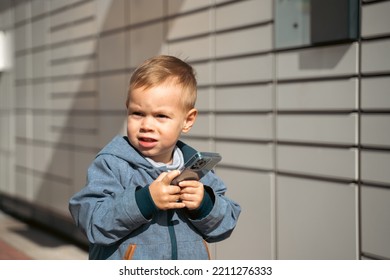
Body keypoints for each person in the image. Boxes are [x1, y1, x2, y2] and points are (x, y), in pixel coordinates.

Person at [68, 55, 241, 260]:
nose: (147, 125)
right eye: (137, 113)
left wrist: (204, 204)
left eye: (161, 116)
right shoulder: (112, 164)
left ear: (187, 120)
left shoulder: (196, 171)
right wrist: (144, 201)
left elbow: (224, 225)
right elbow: (92, 222)